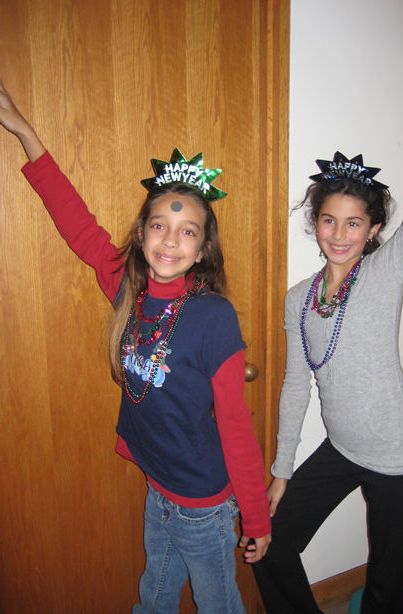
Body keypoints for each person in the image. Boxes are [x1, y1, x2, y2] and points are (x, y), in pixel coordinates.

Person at [0, 83, 271, 614]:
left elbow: (236, 425)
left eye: (187, 231)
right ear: (143, 233)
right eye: (160, 225)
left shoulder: (213, 318)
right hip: (159, 485)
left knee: (219, 605)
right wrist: (23, 130)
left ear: (203, 249)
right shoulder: (129, 291)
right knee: (154, 595)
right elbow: (77, 224)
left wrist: (256, 518)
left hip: (203, 503)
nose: (170, 240)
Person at [253, 16, 403, 614]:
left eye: (353, 223)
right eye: (329, 220)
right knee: (270, 546)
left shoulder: (385, 272)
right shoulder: (299, 298)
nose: (339, 233)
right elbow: (297, 385)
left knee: (387, 587)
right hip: (342, 447)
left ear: (372, 231)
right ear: (315, 223)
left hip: (401, 454)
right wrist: (282, 471)